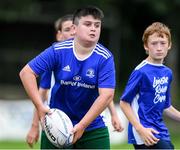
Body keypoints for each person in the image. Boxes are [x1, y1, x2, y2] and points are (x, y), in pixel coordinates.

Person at [20, 6, 122, 149]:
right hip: (56, 125)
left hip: (92, 127)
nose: (93, 28)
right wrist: (39, 107)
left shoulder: (105, 57)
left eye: (97, 25)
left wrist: (82, 125)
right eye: (87, 24)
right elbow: (26, 73)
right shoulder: (57, 51)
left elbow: (106, 95)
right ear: (74, 28)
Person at [120, 22, 180, 149]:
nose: (159, 48)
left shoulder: (167, 72)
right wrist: (140, 129)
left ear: (169, 45)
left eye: (162, 43)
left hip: (160, 130)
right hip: (143, 132)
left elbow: (165, 106)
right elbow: (124, 103)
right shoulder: (140, 71)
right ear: (146, 46)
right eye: (154, 43)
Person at [26, 14, 75, 148]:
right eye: (67, 29)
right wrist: (34, 126)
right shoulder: (53, 57)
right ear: (59, 35)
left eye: (74, 28)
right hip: (57, 120)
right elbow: (41, 93)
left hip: (84, 122)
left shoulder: (91, 56)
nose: (72, 32)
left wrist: (112, 114)